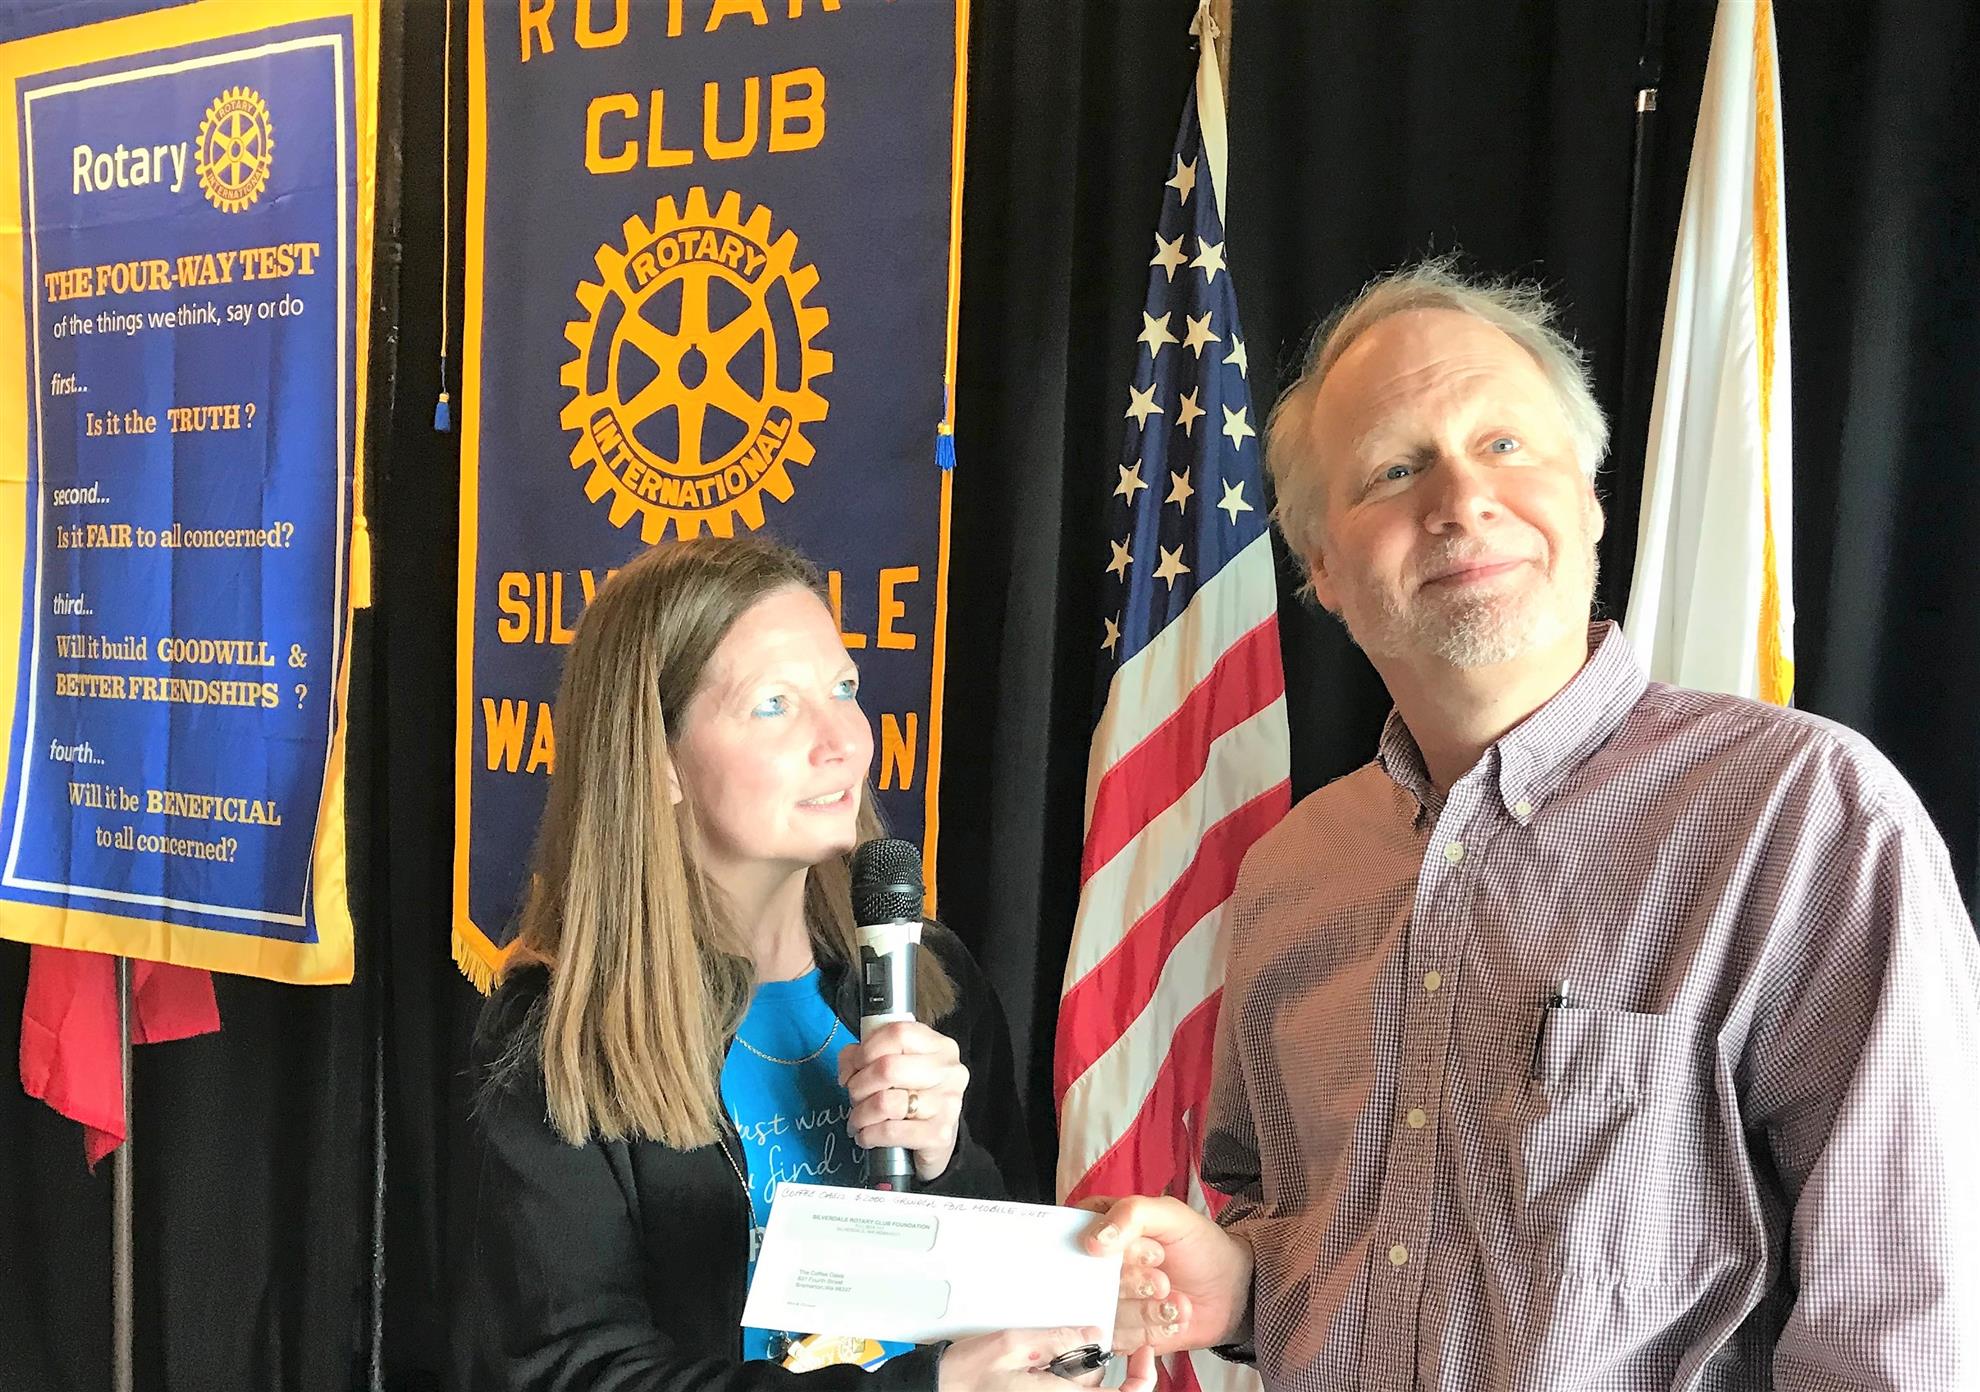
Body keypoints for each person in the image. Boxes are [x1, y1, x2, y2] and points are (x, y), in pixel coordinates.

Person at [1089, 257, 1980, 1388]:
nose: (1462, 501)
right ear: (1323, 566)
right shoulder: (1292, 873)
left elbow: (1904, 1320)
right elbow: (1312, 1231)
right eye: (1395, 469)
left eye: (1505, 445)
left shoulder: (1803, 816)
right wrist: (1241, 1280)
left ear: (1591, 498)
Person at [467, 536, 1136, 1392]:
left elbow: (1013, 1291)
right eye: (775, 705)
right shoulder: (558, 1034)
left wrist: (951, 1163)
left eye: (844, 689)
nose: (843, 741)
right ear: (659, 759)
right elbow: (576, 1370)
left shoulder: (933, 979)